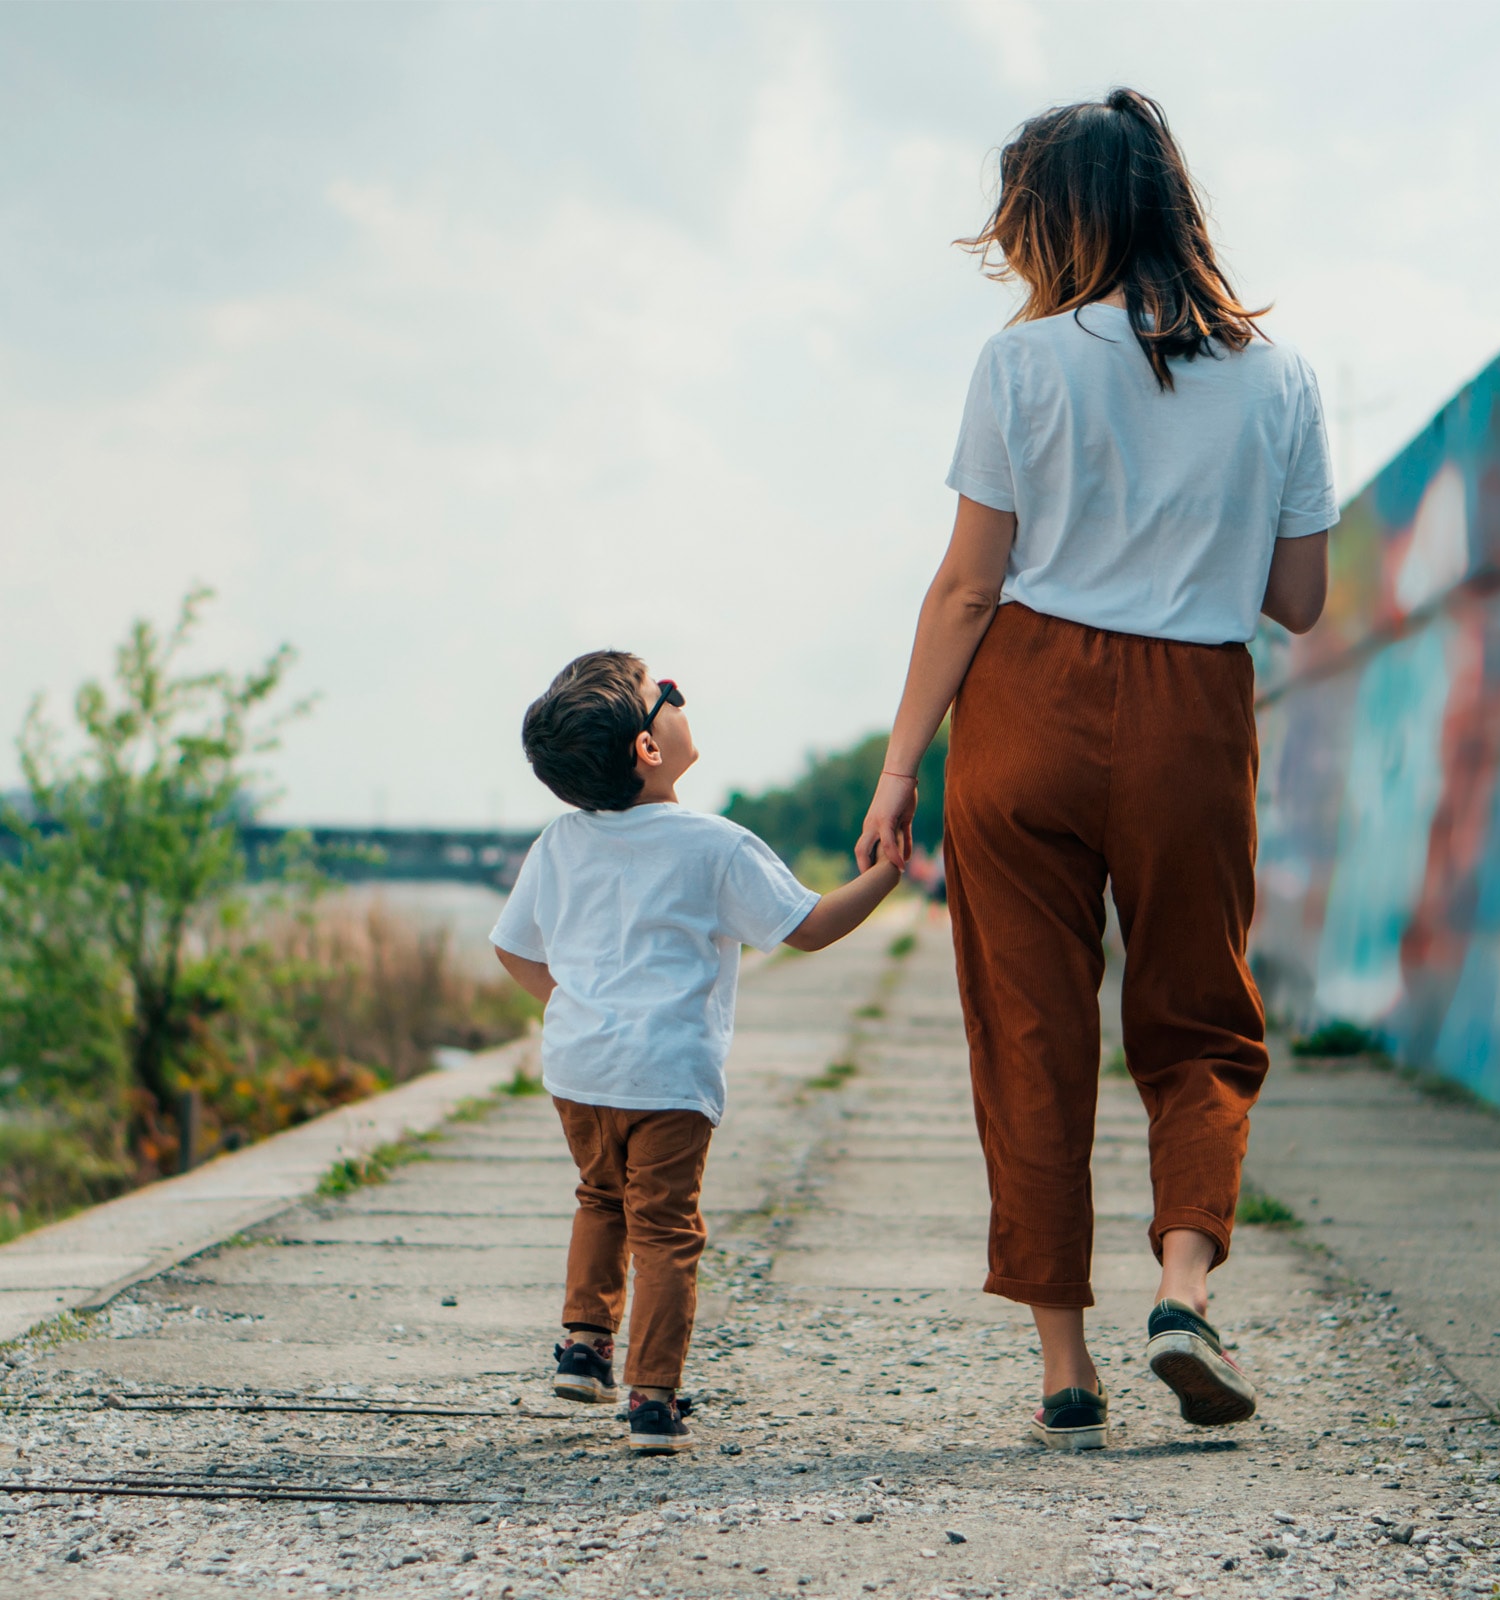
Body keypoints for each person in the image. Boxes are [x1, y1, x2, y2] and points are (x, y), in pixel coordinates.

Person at [854, 89, 1336, 1451]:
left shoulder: (1021, 365)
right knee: (1198, 1017)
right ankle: (1184, 1288)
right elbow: (1299, 600)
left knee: (1029, 1031)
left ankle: (1067, 1364)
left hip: (1024, 713)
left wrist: (900, 771)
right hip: (1193, 709)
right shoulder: (1280, 376)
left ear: (1054, 220)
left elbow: (967, 587)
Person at [493, 651, 900, 1454]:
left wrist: (579, 1008)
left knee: (600, 1198)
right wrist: (888, 875)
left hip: (578, 1070)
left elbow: (513, 950)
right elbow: (809, 928)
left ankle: (583, 1345)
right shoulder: (714, 846)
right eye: (667, 695)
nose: (680, 699)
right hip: (668, 1078)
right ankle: (652, 1396)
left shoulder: (559, 842)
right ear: (649, 749)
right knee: (667, 1231)